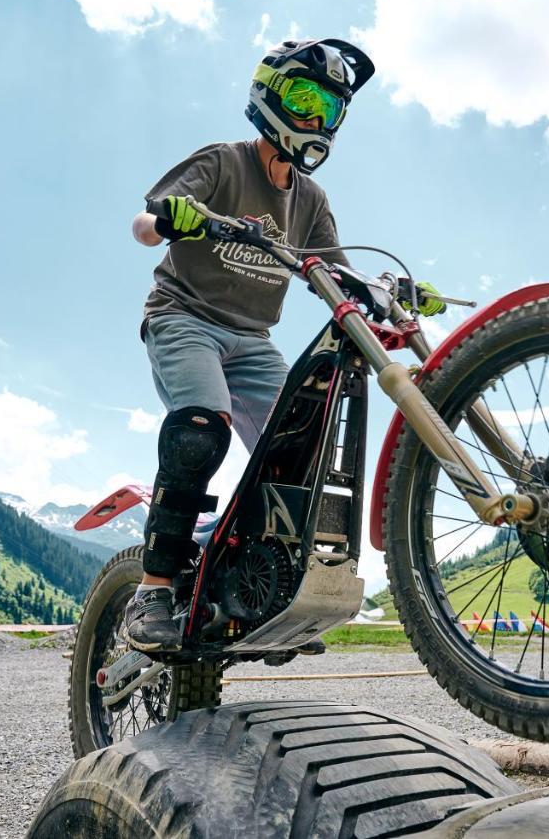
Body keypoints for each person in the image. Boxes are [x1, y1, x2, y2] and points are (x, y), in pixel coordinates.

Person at [121, 39, 375, 653]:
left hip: (253, 342)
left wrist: (383, 291)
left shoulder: (310, 201)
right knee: (201, 428)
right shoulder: (223, 161)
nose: (315, 120)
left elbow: (332, 272)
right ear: (271, 95)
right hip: (184, 318)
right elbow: (142, 225)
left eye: (330, 109)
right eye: (304, 100)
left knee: (300, 447)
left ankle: (262, 589)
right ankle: (152, 590)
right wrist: (172, 219)